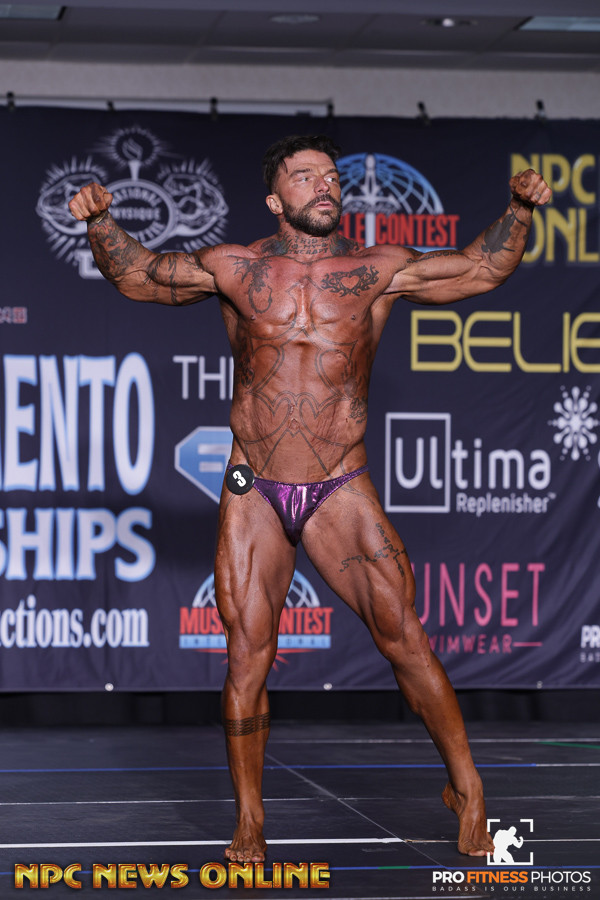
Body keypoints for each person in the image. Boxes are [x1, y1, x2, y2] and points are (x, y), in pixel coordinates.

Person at [68, 134, 551, 864]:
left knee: (404, 637)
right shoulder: (235, 267)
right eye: (306, 177)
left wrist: (518, 210)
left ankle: (469, 787)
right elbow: (138, 276)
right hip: (254, 483)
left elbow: (481, 269)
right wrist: (102, 221)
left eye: (331, 176)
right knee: (246, 657)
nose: (325, 186)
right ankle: (251, 820)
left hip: (339, 484)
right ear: (275, 198)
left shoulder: (377, 269)